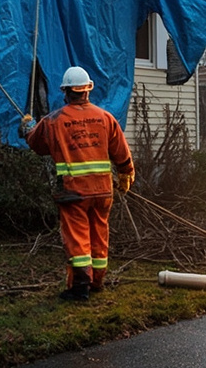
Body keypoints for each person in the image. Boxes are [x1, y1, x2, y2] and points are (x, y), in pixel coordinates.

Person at [22, 67, 135, 301]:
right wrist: (126, 174)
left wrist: (27, 128)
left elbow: (37, 145)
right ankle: (97, 281)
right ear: (88, 90)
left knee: (79, 238)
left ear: (65, 92)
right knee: (99, 235)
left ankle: (80, 287)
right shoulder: (106, 118)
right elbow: (122, 153)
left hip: (74, 193)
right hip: (103, 192)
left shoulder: (53, 121)